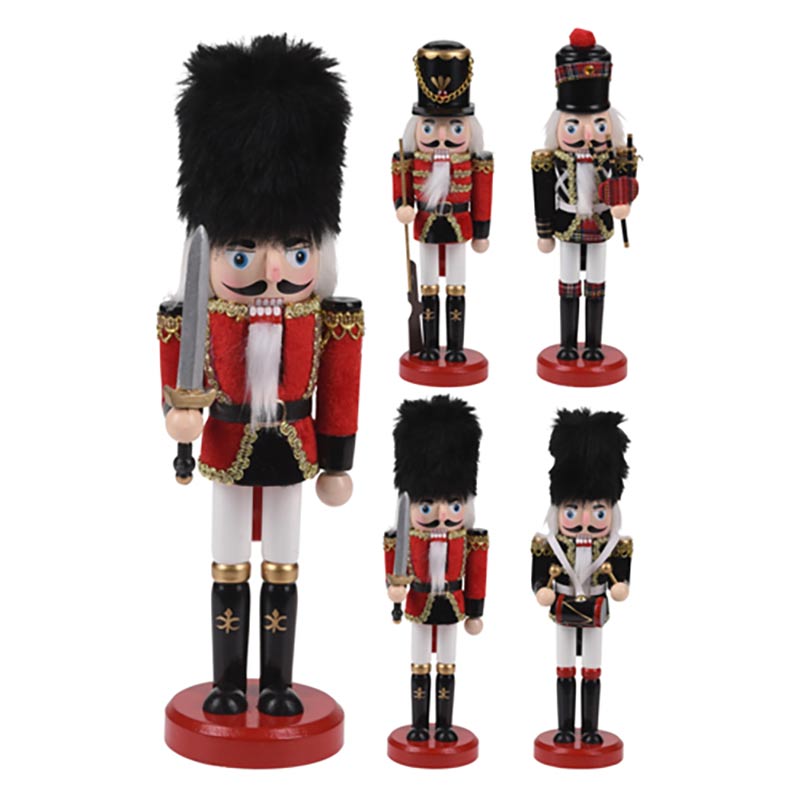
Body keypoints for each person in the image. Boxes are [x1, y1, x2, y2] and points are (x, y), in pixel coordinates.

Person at [158, 35, 363, 717]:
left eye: (295, 251)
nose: (274, 270)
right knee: (226, 563)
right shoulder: (198, 313)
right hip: (224, 441)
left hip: (294, 447)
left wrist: (337, 461)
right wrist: (178, 415)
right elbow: (178, 367)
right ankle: (224, 681)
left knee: (283, 562)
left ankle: (276, 682)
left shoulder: (326, 319)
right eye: (244, 253)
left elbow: (340, 386)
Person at [532, 29, 638, 362]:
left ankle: (593, 344)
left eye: (599, 125)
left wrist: (622, 205)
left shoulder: (617, 158)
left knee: (596, 282)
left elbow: (626, 184)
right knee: (567, 282)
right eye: (574, 125)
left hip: (600, 224)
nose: (588, 134)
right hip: (566, 223)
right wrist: (544, 232)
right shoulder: (550, 159)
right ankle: (567, 342)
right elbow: (543, 194)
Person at [385, 396, 487, 742]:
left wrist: (475, 611)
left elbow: (477, 574)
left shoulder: (470, 540)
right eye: (428, 505)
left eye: (453, 505)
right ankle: (418, 722)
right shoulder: (402, 537)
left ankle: (444, 724)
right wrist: (394, 590)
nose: (442, 514)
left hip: (452, 604)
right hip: (418, 602)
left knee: (447, 664)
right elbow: (393, 568)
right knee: (418, 663)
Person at [532, 408, 632, 750]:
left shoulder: (618, 546)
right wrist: (541, 590)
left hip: (596, 609)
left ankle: (590, 728)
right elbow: (538, 577)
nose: (585, 519)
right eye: (573, 510)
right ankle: (564, 727)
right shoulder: (548, 545)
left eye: (597, 510)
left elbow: (622, 582)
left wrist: (620, 587)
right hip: (562, 606)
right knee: (563, 667)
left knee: (592, 668)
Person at [392, 41, 493, 363]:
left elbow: (483, 196)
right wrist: (402, 207)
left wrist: (482, 232)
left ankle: (457, 346)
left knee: (457, 286)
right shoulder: (409, 159)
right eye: (430, 127)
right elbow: (401, 188)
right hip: (426, 225)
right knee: (428, 286)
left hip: (460, 226)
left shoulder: (475, 162)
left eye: (455, 127)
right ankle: (430, 345)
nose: (442, 136)